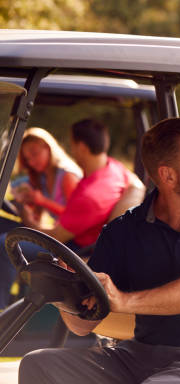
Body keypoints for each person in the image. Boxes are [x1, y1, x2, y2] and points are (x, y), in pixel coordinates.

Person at [18, 117, 180, 384]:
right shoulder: (123, 231)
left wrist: (124, 301)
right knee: (40, 367)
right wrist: (59, 292)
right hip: (139, 358)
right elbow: (82, 325)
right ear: (167, 176)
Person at [0, 118, 138, 308]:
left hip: (76, 250)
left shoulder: (90, 195)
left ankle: (1, 309)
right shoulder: (112, 167)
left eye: (72, 145)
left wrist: (27, 216)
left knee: (3, 244)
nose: (71, 151)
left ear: (81, 147)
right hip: (77, 239)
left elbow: (57, 236)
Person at [14, 127, 82, 219]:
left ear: (48, 148)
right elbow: (37, 217)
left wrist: (43, 201)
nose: (31, 162)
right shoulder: (41, 177)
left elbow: (75, 216)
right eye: (27, 159)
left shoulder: (67, 175)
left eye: (34, 154)